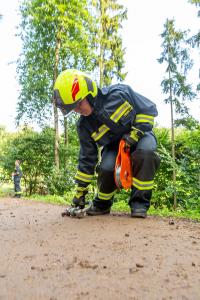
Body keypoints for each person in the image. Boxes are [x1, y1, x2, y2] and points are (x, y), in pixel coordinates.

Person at [54, 69, 160, 218]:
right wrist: (80, 190)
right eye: (73, 109)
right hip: (113, 145)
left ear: (89, 94)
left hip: (142, 134)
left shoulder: (119, 93)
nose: (78, 110)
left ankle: (139, 205)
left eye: (78, 104)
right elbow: (87, 158)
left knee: (146, 154)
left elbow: (148, 110)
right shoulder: (84, 126)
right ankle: (101, 205)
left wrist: (135, 134)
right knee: (106, 168)